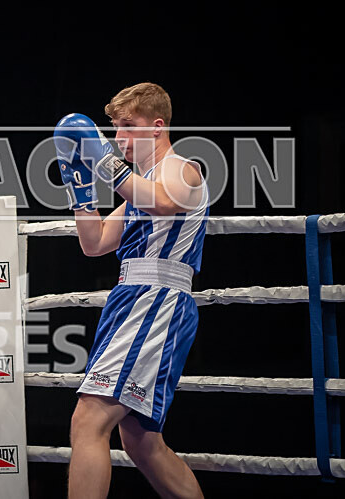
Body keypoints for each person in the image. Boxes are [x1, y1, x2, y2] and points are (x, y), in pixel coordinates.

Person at [54, 82, 208, 499]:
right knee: (142, 443)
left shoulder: (181, 168)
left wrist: (104, 163)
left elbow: (162, 202)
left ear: (157, 127)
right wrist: (80, 190)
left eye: (128, 126)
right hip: (131, 299)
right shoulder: (138, 186)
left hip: (155, 299)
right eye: (114, 129)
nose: (118, 138)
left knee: (88, 420)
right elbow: (95, 244)